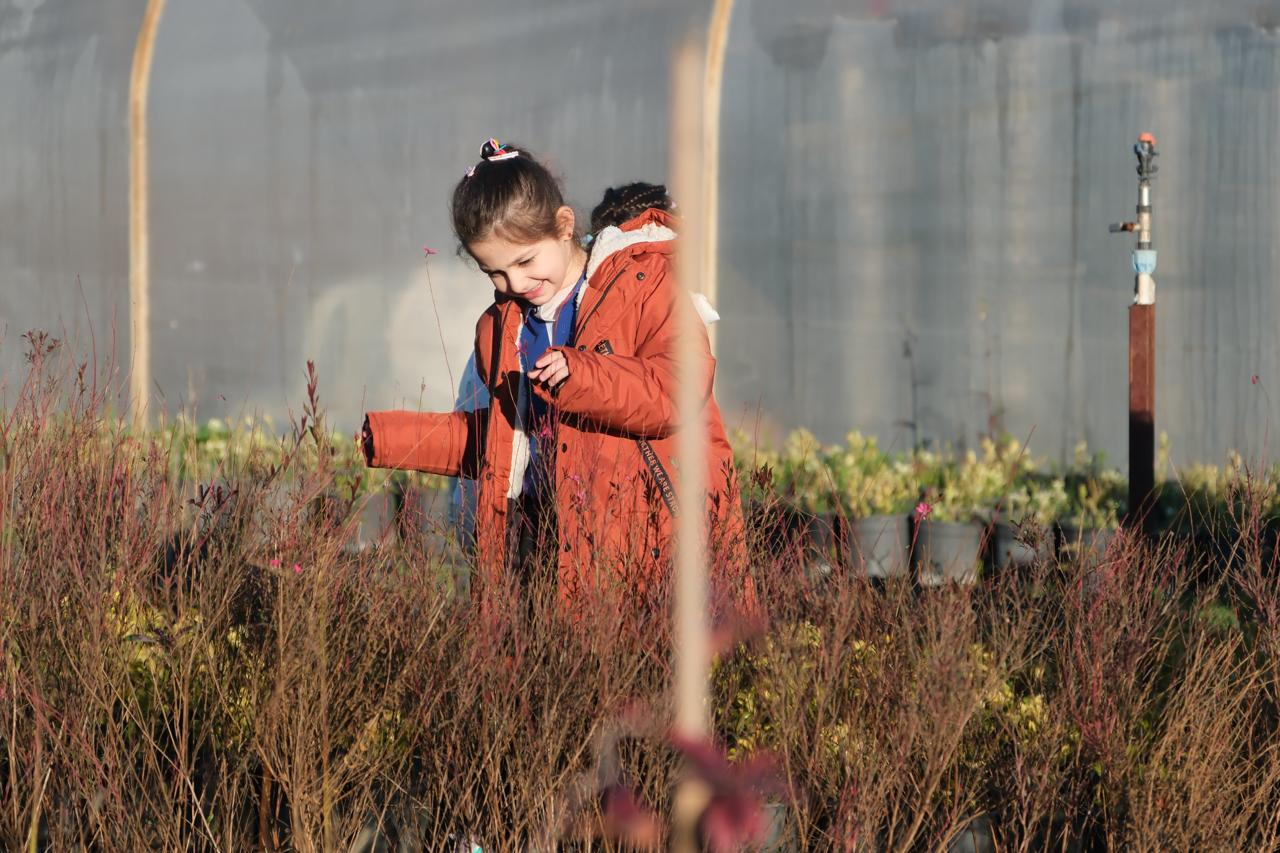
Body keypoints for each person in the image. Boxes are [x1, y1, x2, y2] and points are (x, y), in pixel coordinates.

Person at [361, 139, 742, 603]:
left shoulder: (643, 287)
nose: (515, 284)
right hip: (550, 540)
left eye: (525, 261)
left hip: (651, 538)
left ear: (563, 226)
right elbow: (508, 440)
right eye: (494, 274)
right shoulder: (504, 327)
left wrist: (580, 376)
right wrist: (393, 438)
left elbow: (675, 390)